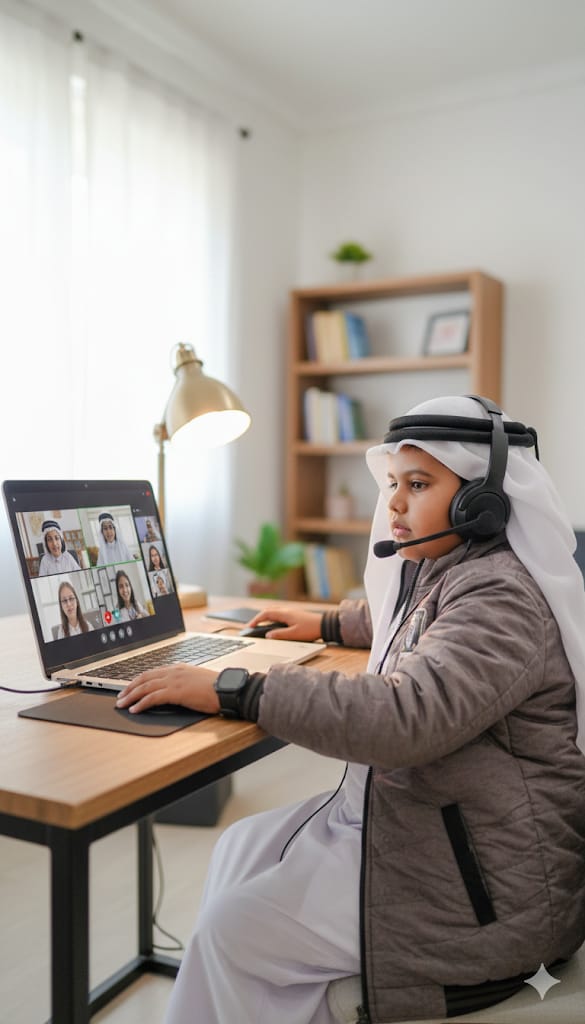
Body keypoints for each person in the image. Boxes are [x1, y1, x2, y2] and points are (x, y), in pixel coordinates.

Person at [116, 395, 585, 1024]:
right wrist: (328, 621)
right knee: (240, 846)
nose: (393, 502)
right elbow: (417, 623)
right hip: (439, 820)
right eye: (393, 482)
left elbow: (407, 716)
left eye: (418, 485)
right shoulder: (452, 566)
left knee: (233, 931)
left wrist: (235, 689)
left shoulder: (501, 595)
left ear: (483, 502)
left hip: (488, 884)